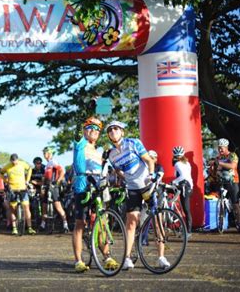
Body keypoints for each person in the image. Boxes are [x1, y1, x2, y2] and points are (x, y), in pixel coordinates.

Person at [105, 121, 170, 270]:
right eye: (110, 130)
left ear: (122, 131)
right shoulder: (112, 154)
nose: (113, 132)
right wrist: (124, 178)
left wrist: (152, 174)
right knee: (131, 222)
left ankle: (161, 257)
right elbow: (119, 171)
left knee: (156, 219)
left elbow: (148, 160)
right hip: (132, 188)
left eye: (116, 129)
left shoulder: (134, 143)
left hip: (147, 184)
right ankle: (127, 258)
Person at [71, 117, 117, 272]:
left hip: (98, 186)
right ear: (84, 130)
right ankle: (78, 261)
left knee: (102, 222)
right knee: (80, 224)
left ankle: (107, 257)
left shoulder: (99, 152)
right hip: (82, 186)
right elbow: (77, 130)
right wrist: (86, 111)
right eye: (89, 128)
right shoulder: (80, 144)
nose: (93, 131)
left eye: (96, 129)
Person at [0, 153, 36, 235]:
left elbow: (30, 168)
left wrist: (27, 180)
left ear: (18, 159)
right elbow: (1, 173)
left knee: (26, 207)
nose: (14, 163)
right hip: (12, 189)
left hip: (22, 188)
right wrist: (6, 181)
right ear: (10, 160)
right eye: (12, 161)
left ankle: (30, 227)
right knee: (13, 208)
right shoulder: (7, 166)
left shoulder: (22, 163)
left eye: (15, 161)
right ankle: (14, 228)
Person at [40, 146, 69, 232]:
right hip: (47, 186)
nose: (43, 154)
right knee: (44, 206)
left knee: (58, 206)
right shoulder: (47, 165)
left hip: (54, 186)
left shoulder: (53, 161)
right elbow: (45, 177)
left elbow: (62, 171)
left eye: (44, 153)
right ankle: (43, 224)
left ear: (49, 153)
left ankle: (65, 224)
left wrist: (57, 182)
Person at [216, 138, 240, 230]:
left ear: (226, 147)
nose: (220, 150)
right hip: (222, 182)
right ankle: (220, 223)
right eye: (219, 148)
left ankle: (239, 223)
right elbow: (216, 169)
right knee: (221, 203)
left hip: (233, 182)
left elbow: (232, 166)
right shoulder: (219, 158)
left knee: (235, 204)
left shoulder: (232, 155)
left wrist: (219, 163)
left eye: (221, 148)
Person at [171, 146, 193, 236]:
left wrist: (173, 181)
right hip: (188, 187)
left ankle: (188, 231)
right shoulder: (187, 163)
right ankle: (185, 229)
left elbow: (183, 176)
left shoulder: (177, 164)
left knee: (186, 209)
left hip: (184, 187)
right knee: (186, 209)